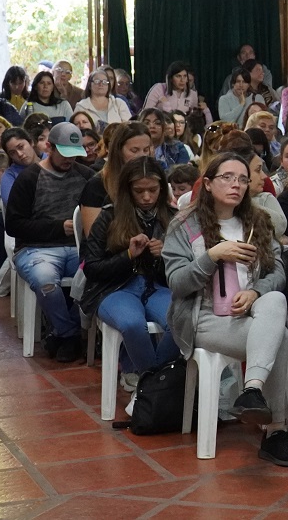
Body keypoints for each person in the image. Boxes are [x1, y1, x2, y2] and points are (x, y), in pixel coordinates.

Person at [162, 152, 288, 467]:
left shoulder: (257, 220)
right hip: (203, 317)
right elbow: (177, 283)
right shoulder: (184, 225)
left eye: (242, 179)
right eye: (227, 178)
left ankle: (251, 390)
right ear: (208, 183)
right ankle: (276, 432)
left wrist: (255, 292)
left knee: (276, 299)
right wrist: (212, 256)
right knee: (280, 337)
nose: (236, 185)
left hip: (252, 312)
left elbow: (278, 271)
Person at [81, 157, 179, 406]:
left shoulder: (174, 218)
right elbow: (92, 268)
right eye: (139, 191)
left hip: (157, 286)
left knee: (180, 319)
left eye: (153, 190)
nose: (146, 197)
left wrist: (165, 256)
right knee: (133, 324)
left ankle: (149, 389)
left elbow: (184, 270)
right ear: (127, 190)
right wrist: (127, 255)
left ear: (162, 188)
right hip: (114, 288)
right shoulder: (109, 216)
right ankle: (158, 389)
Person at [5, 122, 95, 361]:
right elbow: (13, 225)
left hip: (76, 248)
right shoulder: (29, 178)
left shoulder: (86, 176)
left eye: (73, 155)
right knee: (46, 281)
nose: (69, 160)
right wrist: (58, 228)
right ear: (49, 147)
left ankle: (63, 333)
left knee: (97, 275)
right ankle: (70, 334)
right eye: (64, 154)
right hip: (35, 249)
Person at [80, 121, 153, 236]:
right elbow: (93, 237)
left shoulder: (153, 180)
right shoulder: (96, 185)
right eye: (134, 150)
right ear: (118, 151)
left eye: (146, 150)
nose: (142, 156)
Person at [144, 62, 211, 125]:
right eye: (178, 76)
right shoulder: (159, 88)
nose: (182, 80)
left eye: (185, 76)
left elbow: (193, 120)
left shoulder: (192, 94)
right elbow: (145, 113)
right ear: (170, 78)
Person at [0, 128, 36, 207]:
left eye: (21, 147)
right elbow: (14, 206)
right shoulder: (9, 176)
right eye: (12, 153)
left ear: (31, 142)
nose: (19, 154)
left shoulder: (50, 161)